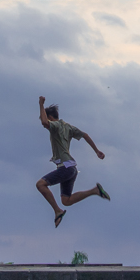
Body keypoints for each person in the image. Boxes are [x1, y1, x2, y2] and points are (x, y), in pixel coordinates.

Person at [35, 95, 110, 227]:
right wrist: (97, 151)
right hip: (71, 169)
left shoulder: (56, 126)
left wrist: (41, 104)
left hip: (65, 168)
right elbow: (85, 135)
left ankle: (57, 211)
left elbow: (45, 123)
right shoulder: (68, 126)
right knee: (66, 200)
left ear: (50, 117)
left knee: (40, 185)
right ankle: (94, 191)